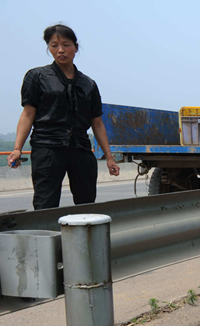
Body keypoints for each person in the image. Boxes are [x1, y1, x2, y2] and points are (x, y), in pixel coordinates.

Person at [7, 24, 119, 210]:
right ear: (49, 48)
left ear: (75, 47)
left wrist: (109, 157)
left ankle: (84, 238)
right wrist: (17, 148)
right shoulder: (37, 77)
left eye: (66, 45)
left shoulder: (88, 84)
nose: (60, 50)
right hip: (47, 148)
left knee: (86, 203)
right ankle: (46, 238)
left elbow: (97, 122)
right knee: (45, 204)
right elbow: (28, 114)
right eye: (54, 45)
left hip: (81, 149)